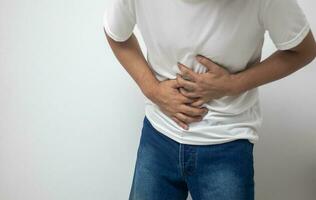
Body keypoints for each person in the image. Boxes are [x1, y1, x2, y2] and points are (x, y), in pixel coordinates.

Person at [103, 0, 316, 199]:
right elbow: (116, 34)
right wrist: (153, 90)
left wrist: (233, 84)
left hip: (227, 142)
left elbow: (303, 49)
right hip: (158, 136)